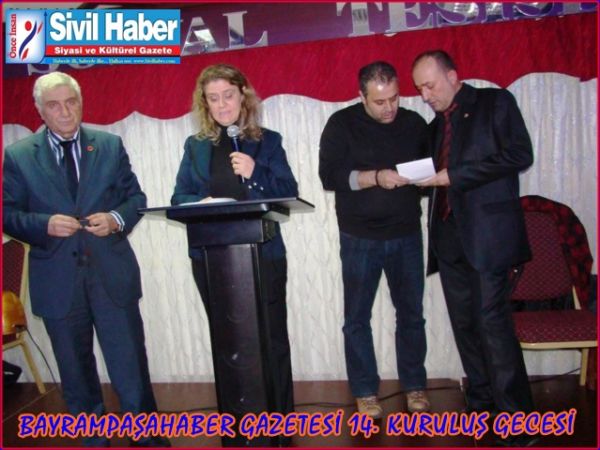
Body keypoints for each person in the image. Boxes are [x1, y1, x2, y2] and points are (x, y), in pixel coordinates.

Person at [3, 72, 169, 447]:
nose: (65, 112)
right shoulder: (18, 156)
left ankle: (146, 437)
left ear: (81, 103)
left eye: (71, 102)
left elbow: (135, 199)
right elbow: (7, 214)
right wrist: (44, 224)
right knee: (75, 373)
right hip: (58, 281)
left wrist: (115, 219)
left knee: (130, 366)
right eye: (54, 105)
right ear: (40, 111)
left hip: (111, 275)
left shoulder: (109, 145)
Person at [411, 50, 537, 446]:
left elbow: (520, 154)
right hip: (448, 239)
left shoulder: (495, 102)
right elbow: (437, 179)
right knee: (465, 327)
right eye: (419, 89)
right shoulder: (435, 127)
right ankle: (482, 408)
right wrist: (415, 179)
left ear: (453, 76)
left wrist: (455, 175)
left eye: (430, 85)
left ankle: (518, 422)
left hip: (489, 237)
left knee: (493, 327)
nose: (425, 95)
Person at [171, 64, 298, 433]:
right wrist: (202, 202)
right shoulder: (195, 146)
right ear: (205, 104)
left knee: (271, 339)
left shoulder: (267, 141)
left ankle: (280, 419)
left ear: (243, 96)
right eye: (213, 99)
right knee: (228, 341)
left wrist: (255, 172)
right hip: (211, 258)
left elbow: (288, 192)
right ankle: (238, 420)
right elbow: (179, 197)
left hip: (263, 256)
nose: (222, 104)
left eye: (228, 95)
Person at [319, 61, 430, 418]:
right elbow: (329, 176)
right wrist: (376, 177)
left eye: (394, 98)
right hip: (359, 237)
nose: (389, 108)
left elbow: (431, 173)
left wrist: (421, 178)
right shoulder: (341, 124)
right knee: (357, 318)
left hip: (407, 234)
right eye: (380, 102)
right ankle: (365, 391)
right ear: (361, 96)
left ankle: (415, 385)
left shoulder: (414, 123)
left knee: (412, 315)